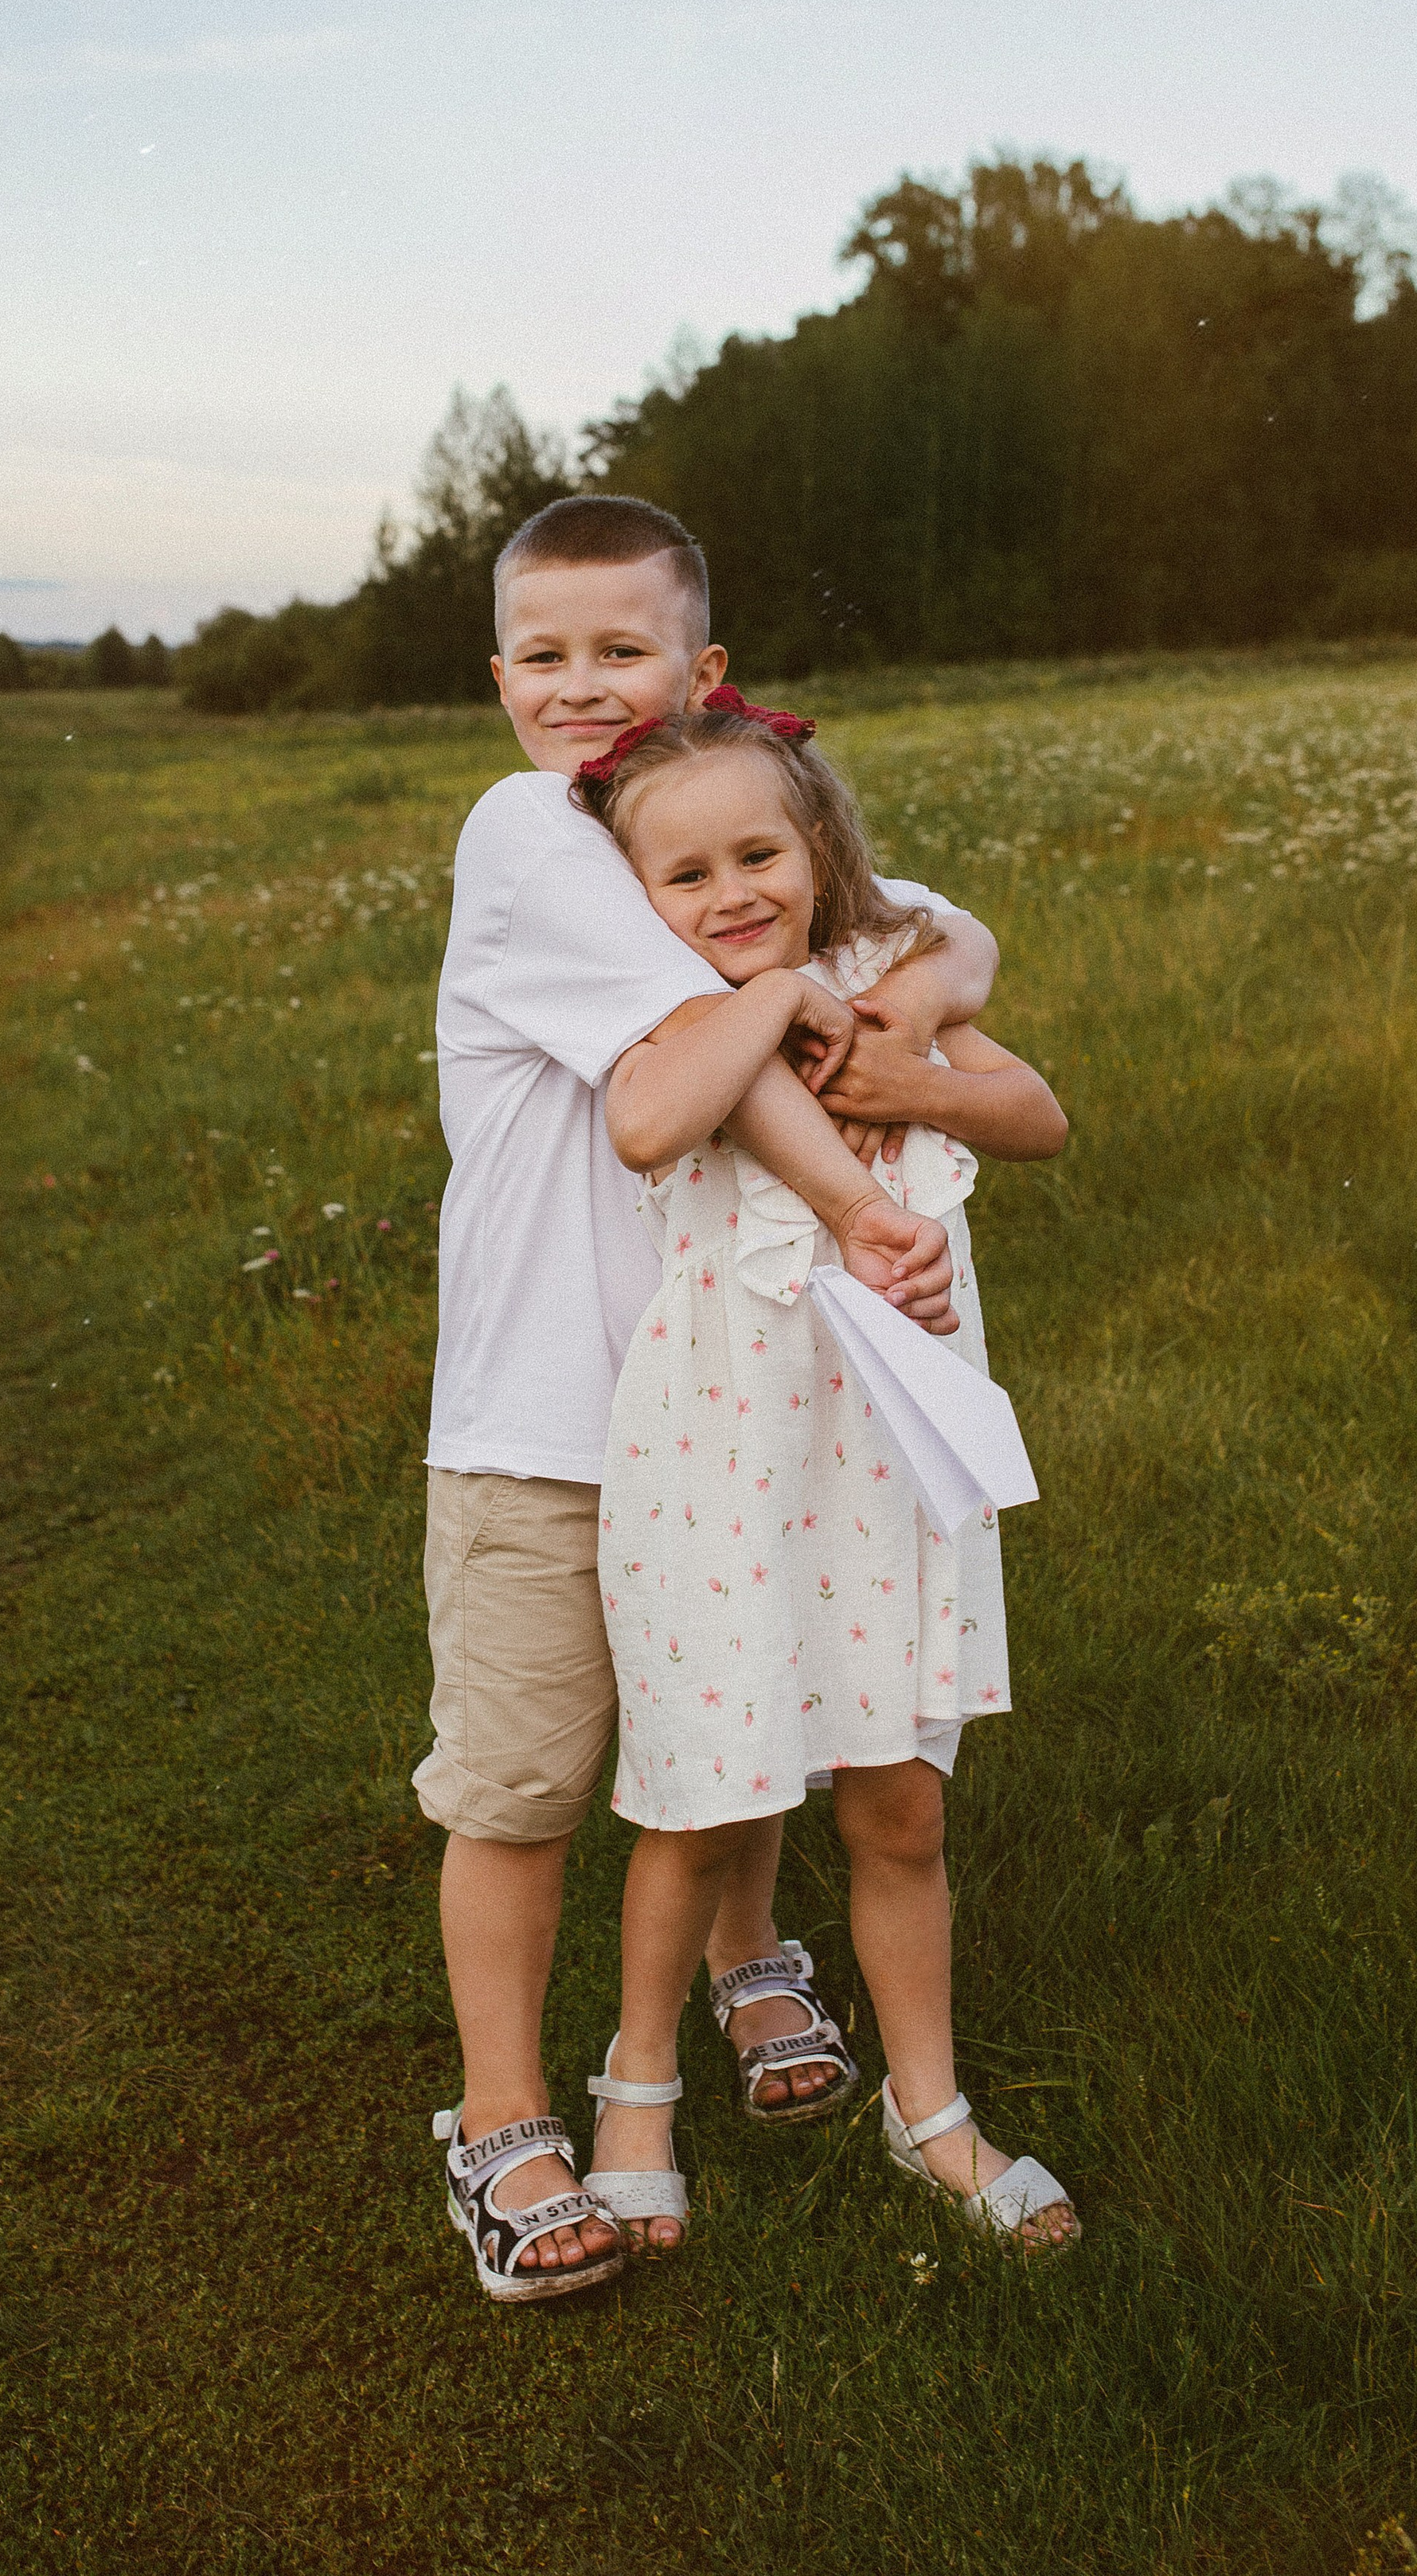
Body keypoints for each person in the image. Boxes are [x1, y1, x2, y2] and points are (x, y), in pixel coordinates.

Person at [418, 494, 1005, 2302]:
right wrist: (860, 1204)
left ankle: (752, 1959)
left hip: (722, 1398)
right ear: (498, 676)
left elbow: (930, 925)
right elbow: (701, 1059)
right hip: (540, 1408)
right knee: (521, 1779)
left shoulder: (675, 825)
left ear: (705, 679)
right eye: (545, 655)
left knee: (731, 1698)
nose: (583, 691)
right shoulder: (532, 834)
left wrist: (930, 979)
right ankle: (503, 2121)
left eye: (625, 653)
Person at [567, 692, 1082, 2260]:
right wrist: (778, 997)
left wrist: (909, 1067)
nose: (728, 893)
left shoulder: (880, 995)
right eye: (685, 874)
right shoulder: (676, 1017)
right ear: (636, 902)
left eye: (757, 853)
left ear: (817, 847)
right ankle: (633, 2091)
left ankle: (925, 2109)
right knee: (699, 1800)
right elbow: (651, 1130)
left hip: (887, 1455)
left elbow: (1036, 1114)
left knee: (900, 1808)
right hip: (723, 1456)